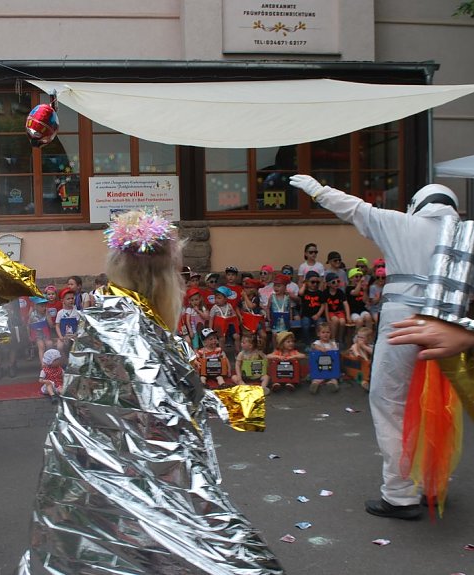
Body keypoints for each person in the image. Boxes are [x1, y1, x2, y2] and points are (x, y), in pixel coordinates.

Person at [17, 210, 283, 573]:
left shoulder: (111, 317)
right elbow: (162, 427)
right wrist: (231, 405)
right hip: (127, 481)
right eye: (177, 272)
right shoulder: (131, 332)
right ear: (162, 278)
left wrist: (230, 402)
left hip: (94, 482)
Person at [290, 174, 474, 520]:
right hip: (448, 331)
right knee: (436, 405)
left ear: (418, 206)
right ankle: (432, 485)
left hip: (401, 325)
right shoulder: (471, 243)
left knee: (390, 404)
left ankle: (399, 494)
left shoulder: (400, 223)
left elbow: (353, 208)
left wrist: (318, 190)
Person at [309, 323, 340, 394]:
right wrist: (320, 348)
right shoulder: (317, 343)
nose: (325, 334)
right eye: (323, 332)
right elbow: (313, 346)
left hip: (331, 366)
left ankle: (332, 385)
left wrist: (332, 349)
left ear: (330, 333)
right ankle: (315, 385)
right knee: (317, 378)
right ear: (318, 334)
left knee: (334, 378)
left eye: (327, 332)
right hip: (319, 366)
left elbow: (336, 353)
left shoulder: (333, 343)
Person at [298, 270, 326, 347]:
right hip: (306, 315)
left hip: (318, 315)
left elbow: (323, 305)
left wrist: (318, 315)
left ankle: (320, 343)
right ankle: (308, 343)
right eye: (312, 282)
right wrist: (304, 284)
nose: (315, 284)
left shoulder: (320, 293)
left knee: (320, 325)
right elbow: (300, 293)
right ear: (307, 282)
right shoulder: (305, 292)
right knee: (305, 325)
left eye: (317, 282)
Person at [323, 271, 349, 345]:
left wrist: (348, 316)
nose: (336, 283)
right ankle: (333, 339)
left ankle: (340, 338)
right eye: (333, 282)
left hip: (339, 311)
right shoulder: (325, 293)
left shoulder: (340, 292)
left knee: (342, 321)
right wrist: (327, 318)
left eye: (338, 281)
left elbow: (345, 304)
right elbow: (326, 307)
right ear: (328, 284)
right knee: (335, 320)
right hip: (331, 312)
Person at [54, 287, 81, 353]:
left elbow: (79, 324)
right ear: (62, 300)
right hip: (63, 336)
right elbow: (57, 325)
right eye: (68, 299)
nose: (71, 300)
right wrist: (60, 336)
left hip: (74, 336)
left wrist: (76, 334)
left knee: (77, 347)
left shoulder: (76, 312)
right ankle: (64, 360)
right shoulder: (60, 313)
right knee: (60, 347)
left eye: (72, 298)